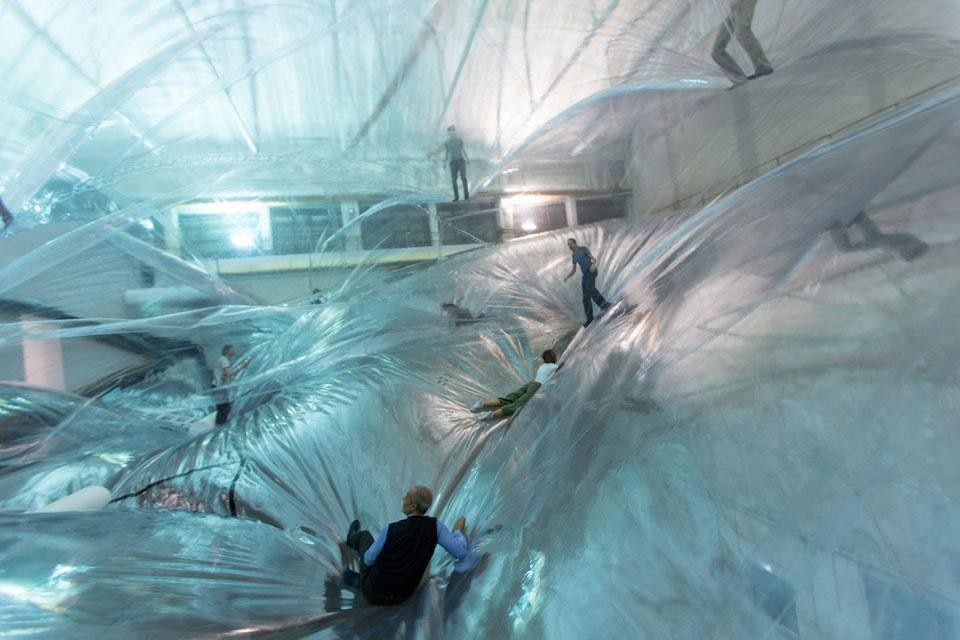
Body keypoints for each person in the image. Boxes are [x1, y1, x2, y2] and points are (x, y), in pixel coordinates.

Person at [343, 485, 470, 605]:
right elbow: (460, 552)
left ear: (413, 506)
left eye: (407, 496)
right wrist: (457, 531)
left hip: (374, 593)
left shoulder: (390, 530)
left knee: (364, 537)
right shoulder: (436, 527)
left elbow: (368, 560)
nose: (403, 498)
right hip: (404, 595)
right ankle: (363, 580)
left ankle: (352, 542)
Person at [471, 349, 559, 422]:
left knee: (510, 399)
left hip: (531, 384)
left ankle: (482, 404)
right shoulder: (555, 367)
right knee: (517, 405)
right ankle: (491, 415)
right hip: (537, 386)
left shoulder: (543, 366)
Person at [711, 0, 773, 85]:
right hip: (734, 8)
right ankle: (739, 78)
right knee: (716, 51)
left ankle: (763, 67)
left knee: (742, 33)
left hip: (743, 3)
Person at [564, 238, 611, 326]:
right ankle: (589, 318)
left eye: (571, 244)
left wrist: (593, 265)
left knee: (590, 288)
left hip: (591, 270)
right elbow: (574, 270)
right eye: (568, 244)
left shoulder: (583, 249)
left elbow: (594, 259)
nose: (570, 246)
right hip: (585, 274)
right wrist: (567, 276)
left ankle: (604, 305)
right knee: (585, 297)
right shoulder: (574, 255)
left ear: (575, 243)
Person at [212, 344, 247, 425]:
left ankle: (219, 425)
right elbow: (229, 374)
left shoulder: (225, 360)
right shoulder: (224, 360)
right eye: (232, 349)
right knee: (224, 408)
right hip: (219, 387)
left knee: (223, 408)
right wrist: (241, 366)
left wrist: (241, 368)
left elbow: (230, 375)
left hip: (219, 387)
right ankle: (219, 426)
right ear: (226, 351)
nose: (234, 351)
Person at [443, 126, 469, 201]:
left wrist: (467, 158)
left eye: (454, 131)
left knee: (463, 178)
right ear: (448, 133)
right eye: (451, 131)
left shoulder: (459, 140)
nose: (452, 133)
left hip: (461, 160)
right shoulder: (447, 143)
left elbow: (463, 150)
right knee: (454, 180)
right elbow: (446, 153)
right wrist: (444, 162)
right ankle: (456, 196)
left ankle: (466, 195)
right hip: (452, 162)